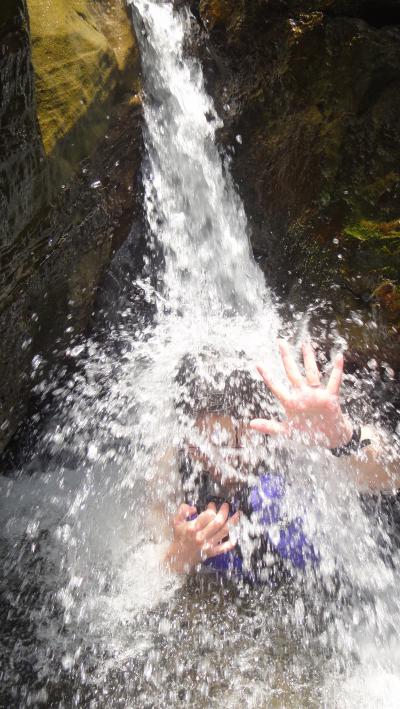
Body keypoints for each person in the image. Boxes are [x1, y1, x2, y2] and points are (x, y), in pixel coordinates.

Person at [162, 341, 399, 578]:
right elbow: (146, 567)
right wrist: (181, 554)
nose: (224, 458)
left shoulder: (291, 442)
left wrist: (344, 440)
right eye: (206, 443)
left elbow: (393, 475)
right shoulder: (174, 469)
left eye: (235, 440)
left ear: (259, 421)